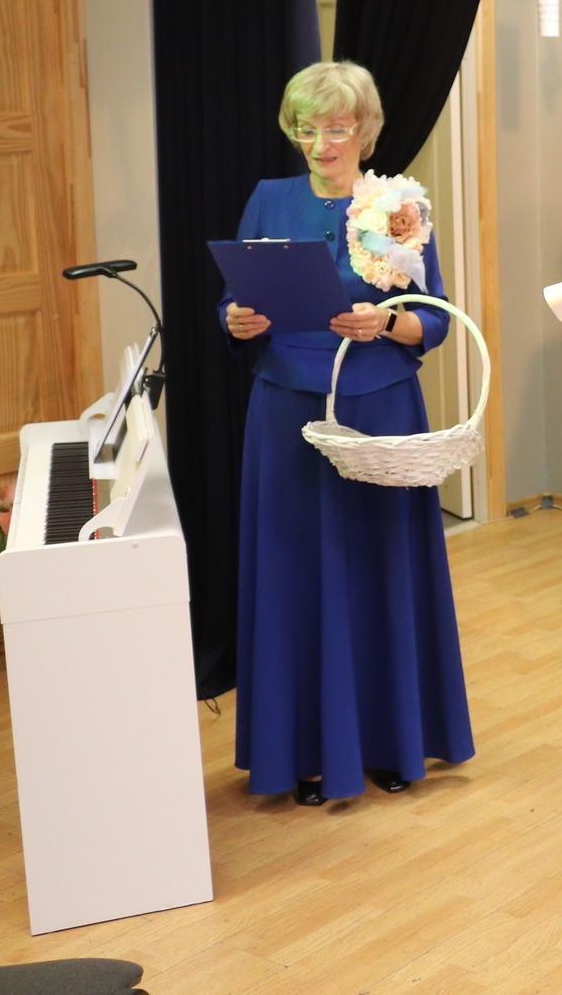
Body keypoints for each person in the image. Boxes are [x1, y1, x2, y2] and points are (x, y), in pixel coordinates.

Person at [221, 60, 473, 806]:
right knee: (295, 575)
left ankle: (393, 741)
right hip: (287, 412)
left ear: (364, 129)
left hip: (378, 407)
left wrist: (386, 322)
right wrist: (234, 320)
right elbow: (232, 300)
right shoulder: (268, 200)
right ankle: (302, 751)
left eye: (335, 128)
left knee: (380, 571)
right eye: (306, 128)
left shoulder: (399, 206)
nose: (320, 144)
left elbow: (434, 317)